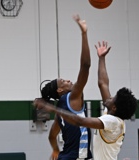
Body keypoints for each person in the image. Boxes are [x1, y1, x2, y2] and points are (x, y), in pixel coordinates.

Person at [34, 41, 138, 160]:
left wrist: (52, 108)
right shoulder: (109, 112)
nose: (109, 97)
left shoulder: (112, 121)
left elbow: (77, 122)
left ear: (114, 107)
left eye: (113, 98)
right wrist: (102, 58)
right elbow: (103, 84)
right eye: (63, 81)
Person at [40, 14, 92, 160]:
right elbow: (86, 66)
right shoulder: (72, 97)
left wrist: (56, 150)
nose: (69, 80)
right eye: (64, 81)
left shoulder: (61, 112)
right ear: (60, 90)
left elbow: (51, 136)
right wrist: (84, 34)